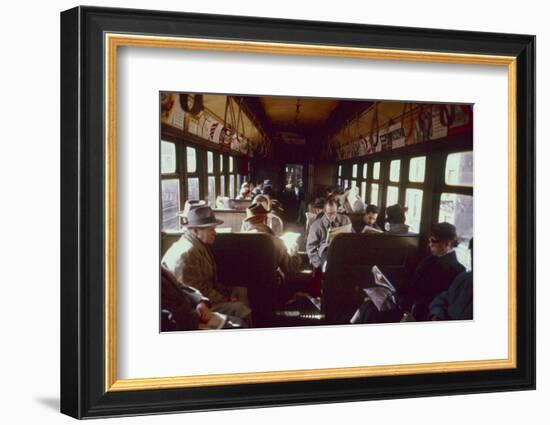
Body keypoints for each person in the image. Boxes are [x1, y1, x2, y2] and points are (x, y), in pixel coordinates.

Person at [162, 206, 250, 316]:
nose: (215, 233)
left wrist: (227, 294)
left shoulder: (199, 245)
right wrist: (226, 299)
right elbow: (196, 293)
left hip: (206, 294)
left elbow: (210, 283)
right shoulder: (186, 254)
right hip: (197, 306)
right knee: (239, 308)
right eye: (211, 229)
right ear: (195, 230)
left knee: (241, 291)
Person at [401, 222, 466, 321]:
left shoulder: (457, 271)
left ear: (447, 243)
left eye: (433, 241)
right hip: (413, 308)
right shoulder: (430, 259)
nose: (430, 244)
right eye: (429, 241)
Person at [161, 266, 246, 331]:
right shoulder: (187, 252)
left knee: (240, 318)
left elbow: (182, 286)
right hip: (184, 323)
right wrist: (197, 314)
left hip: (195, 312)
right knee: (240, 321)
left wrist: (200, 301)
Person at [241, 203, 301, 275]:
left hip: (246, 283)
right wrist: (294, 255)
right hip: (268, 283)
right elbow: (290, 268)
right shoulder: (276, 242)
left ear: (249, 222)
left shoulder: (241, 241)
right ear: (264, 217)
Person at [429, 238, 473, 321]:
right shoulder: (464, 277)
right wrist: (437, 314)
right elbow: (445, 297)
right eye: (472, 252)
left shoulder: (456, 269)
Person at [306, 198, 353, 269]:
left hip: (345, 250)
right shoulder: (316, 225)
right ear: (324, 211)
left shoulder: (345, 220)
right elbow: (310, 248)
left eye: (334, 212)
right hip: (326, 253)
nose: (332, 216)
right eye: (330, 213)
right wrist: (319, 264)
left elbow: (353, 237)